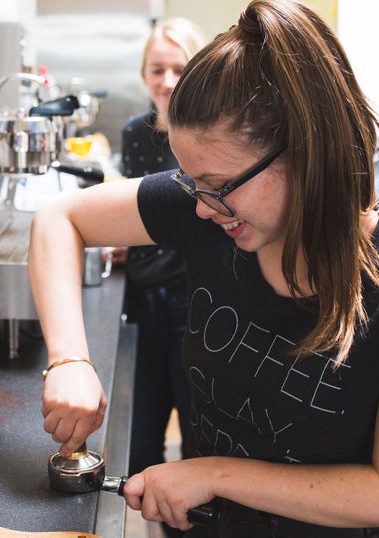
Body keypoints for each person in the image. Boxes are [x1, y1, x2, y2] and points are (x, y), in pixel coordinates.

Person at [29, 1, 379, 536]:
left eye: (218, 185)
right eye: (190, 182)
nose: (200, 206)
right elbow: (59, 218)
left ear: (306, 152)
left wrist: (216, 475)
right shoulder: (210, 209)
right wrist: (68, 360)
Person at [118, 17, 207, 503]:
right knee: (140, 445)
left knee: (198, 444)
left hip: (193, 308)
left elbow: (203, 235)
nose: (167, 81)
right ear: (143, 74)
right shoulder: (136, 133)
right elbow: (146, 222)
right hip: (140, 306)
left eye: (179, 68)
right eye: (157, 69)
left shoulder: (214, 136)